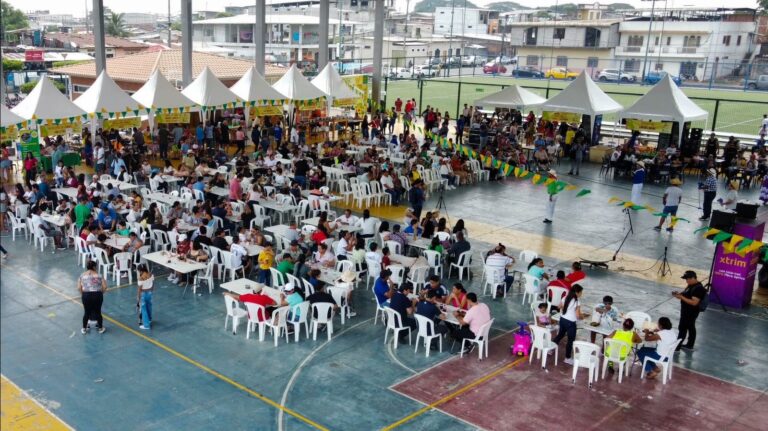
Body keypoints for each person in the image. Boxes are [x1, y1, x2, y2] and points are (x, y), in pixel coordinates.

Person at [674, 270, 706, 351]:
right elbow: (686, 295)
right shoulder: (690, 285)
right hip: (685, 311)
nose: (686, 281)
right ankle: (689, 345)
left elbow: (694, 302)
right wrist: (679, 295)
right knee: (690, 327)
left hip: (690, 312)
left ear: (693, 278)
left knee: (683, 328)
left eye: (687, 279)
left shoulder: (698, 289)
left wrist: (681, 297)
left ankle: (677, 347)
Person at [552, 284, 583, 364]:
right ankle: (567, 358)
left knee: (560, 335)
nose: (581, 294)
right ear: (577, 292)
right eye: (581, 292)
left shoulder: (565, 297)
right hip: (570, 322)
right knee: (570, 340)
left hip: (562, 319)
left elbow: (559, 307)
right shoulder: (577, 301)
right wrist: (582, 317)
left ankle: (550, 349)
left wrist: (566, 309)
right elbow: (577, 315)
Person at [78, 260, 108, 334]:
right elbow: (105, 286)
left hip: (86, 295)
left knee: (86, 312)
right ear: (94, 267)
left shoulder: (82, 275)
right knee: (98, 311)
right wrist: (101, 293)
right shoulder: (99, 275)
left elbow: (79, 287)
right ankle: (100, 328)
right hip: (97, 295)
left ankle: (84, 328)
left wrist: (83, 294)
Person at [136, 264, 154, 330]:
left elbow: (139, 289)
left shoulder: (141, 279)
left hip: (143, 294)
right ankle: (149, 319)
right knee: (149, 307)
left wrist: (138, 297)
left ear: (140, 270)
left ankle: (146, 325)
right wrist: (151, 291)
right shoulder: (150, 274)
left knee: (143, 310)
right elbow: (152, 284)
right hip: (150, 293)